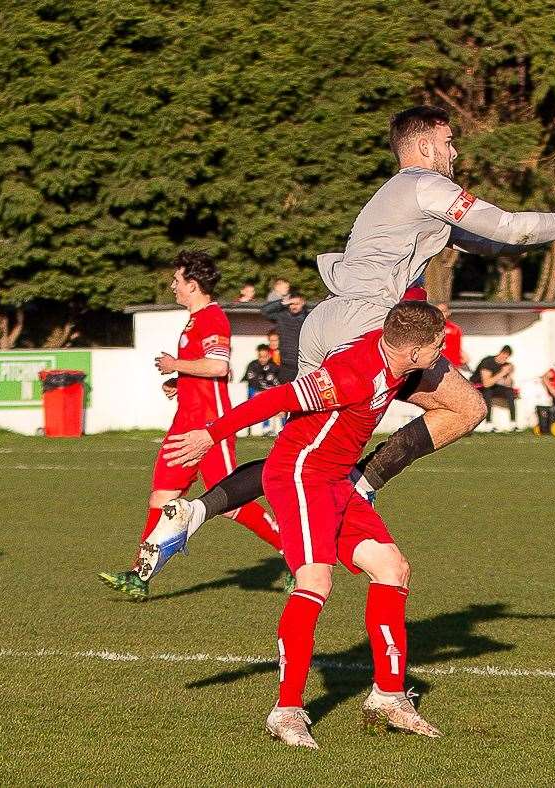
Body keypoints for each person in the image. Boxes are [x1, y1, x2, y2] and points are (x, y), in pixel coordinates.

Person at [141, 104, 555, 570]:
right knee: (465, 409)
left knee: (297, 454)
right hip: (371, 324)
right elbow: (509, 226)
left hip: (331, 320)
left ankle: (194, 512)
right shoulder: (426, 184)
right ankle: (363, 484)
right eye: (448, 142)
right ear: (424, 147)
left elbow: (490, 241)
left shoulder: (399, 197)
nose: (454, 152)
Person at [161, 301, 449, 748]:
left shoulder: (392, 355)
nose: (442, 350)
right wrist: (209, 434)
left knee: (393, 567)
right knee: (316, 579)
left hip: (336, 479)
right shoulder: (352, 375)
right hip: (301, 475)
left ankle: (389, 696)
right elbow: (278, 398)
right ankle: (287, 710)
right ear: (413, 351)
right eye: (437, 343)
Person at [97, 251, 282, 600]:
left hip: (209, 429)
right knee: (161, 497)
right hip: (183, 425)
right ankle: (140, 575)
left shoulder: (213, 318)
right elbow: (204, 370)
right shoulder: (195, 321)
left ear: (193, 285)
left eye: (177, 281)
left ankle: (291, 550)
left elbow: (217, 367)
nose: (172, 286)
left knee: (230, 502)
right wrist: (180, 380)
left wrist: (175, 363)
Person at [261, 288, 310, 384]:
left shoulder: (308, 318)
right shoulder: (282, 316)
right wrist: (283, 302)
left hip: (302, 364)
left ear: (303, 303)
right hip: (285, 364)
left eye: (296, 304)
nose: (293, 306)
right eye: (291, 304)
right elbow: (264, 311)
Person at [242, 343, 283, 436]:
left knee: (280, 402)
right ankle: (264, 428)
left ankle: (280, 428)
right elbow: (252, 381)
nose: (262, 359)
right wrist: (261, 391)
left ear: (269, 355)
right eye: (261, 356)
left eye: (265, 356)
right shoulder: (253, 365)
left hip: (269, 393)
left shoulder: (274, 367)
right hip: (255, 391)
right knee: (258, 397)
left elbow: (279, 383)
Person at [470, 345, 516, 423]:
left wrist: (509, 372)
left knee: (509, 391)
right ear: (501, 353)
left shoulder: (505, 364)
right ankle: (488, 422)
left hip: (492, 386)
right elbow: (486, 384)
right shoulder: (487, 362)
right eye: (504, 356)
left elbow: (509, 384)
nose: (504, 359)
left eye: (506, 358)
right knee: (488, 391)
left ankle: (513, 422)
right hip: (477, 387)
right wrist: (502, 373)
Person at [436, 302, 465, 369]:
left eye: (443, 311)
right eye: (437, 311)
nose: (440, 314)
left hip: (451, 364)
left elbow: (457, 347)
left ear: (448, 313)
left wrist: (457, 363)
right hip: (433, 363)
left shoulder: (455, 329)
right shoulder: (429, 328)